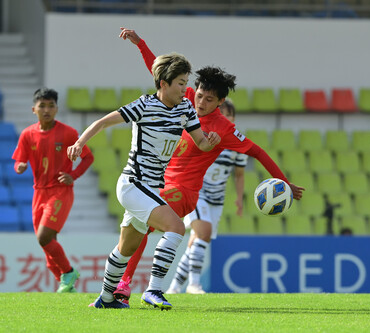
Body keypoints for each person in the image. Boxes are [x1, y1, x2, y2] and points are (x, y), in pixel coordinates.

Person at [113, 27, 305, 302]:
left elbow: (259, 152)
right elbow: (160, 75)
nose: (201, 103)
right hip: (160, 181)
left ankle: (135, 287)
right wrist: (140, 43)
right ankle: (131, 285)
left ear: (221, 102)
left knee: (144, 224)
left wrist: (284, 181)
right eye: (200, 95)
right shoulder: (186, 98)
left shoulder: (224, 128)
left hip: (185, 190)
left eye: (209, 100)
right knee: (136, 228)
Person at [67, 52, 221, 310]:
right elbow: (103, 122)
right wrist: (79, 142)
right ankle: (154, 290)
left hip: (150, 188)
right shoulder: (144, 106)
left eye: (186, 82)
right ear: (164, 83)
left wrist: (211, 142)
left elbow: (201, 143)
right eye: (181, 83)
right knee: (176, 228)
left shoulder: (185, 108)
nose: (187, 89)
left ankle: (105, 299)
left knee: (125, 248)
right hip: (132, 183)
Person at [12, 88, 94, 293]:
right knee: (47, 245)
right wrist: (20, 167)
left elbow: (88, 157)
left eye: (51, 106)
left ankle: (68, 271)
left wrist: (72, 176)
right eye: (42, 106)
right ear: (34, 109)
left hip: (60, 190)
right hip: (38, 192)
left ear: (57, 109)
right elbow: (19, 161)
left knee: (43, 237)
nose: (46, 110)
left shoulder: (68, 133)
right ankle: (66, 286)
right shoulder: (27, 134)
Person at [166, 99, 247, 295]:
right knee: (203, 234)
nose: (225, 119)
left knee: (198, 242)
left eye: (229, 116)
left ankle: (175, 286)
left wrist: (239, 198)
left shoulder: (237, 143)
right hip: (197, 192)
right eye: (223, 114)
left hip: (217, 199)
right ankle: (194, 284)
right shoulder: (203, 136)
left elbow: (239, 174)